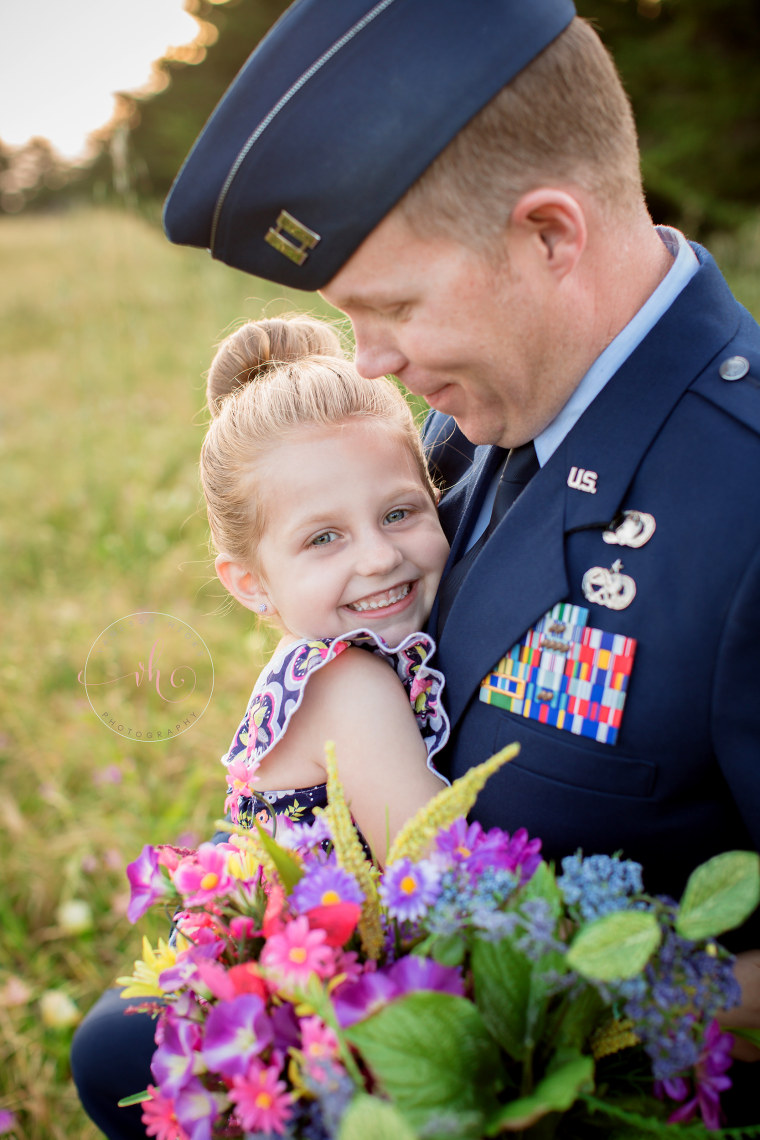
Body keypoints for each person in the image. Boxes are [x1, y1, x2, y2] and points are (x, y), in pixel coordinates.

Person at [160, 0, 760, 1124]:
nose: (370, 359)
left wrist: (575, 1009)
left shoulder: (747, 497)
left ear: (548, 234)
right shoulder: (464, 431)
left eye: (389, 308)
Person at [71, 314, 451, 1137]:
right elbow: (445, 871)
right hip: (305, 1030)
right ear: (248, 582)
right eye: (324, 538)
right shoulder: (350, 683)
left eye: (399, 512)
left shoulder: (315, 659)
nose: (379, 557)